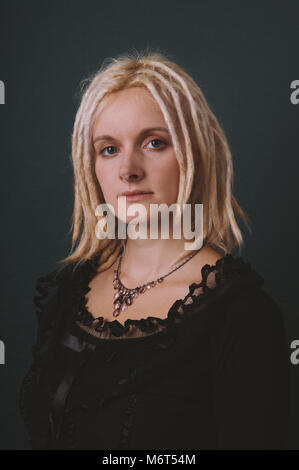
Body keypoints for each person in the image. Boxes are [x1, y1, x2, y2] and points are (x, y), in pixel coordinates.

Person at [19, 50, 290, 450]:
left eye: (154, 143)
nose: (128, 169)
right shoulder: (67, 292)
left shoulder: (241, 315)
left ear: (194, 153)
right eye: (108, 149)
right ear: (90, 166)